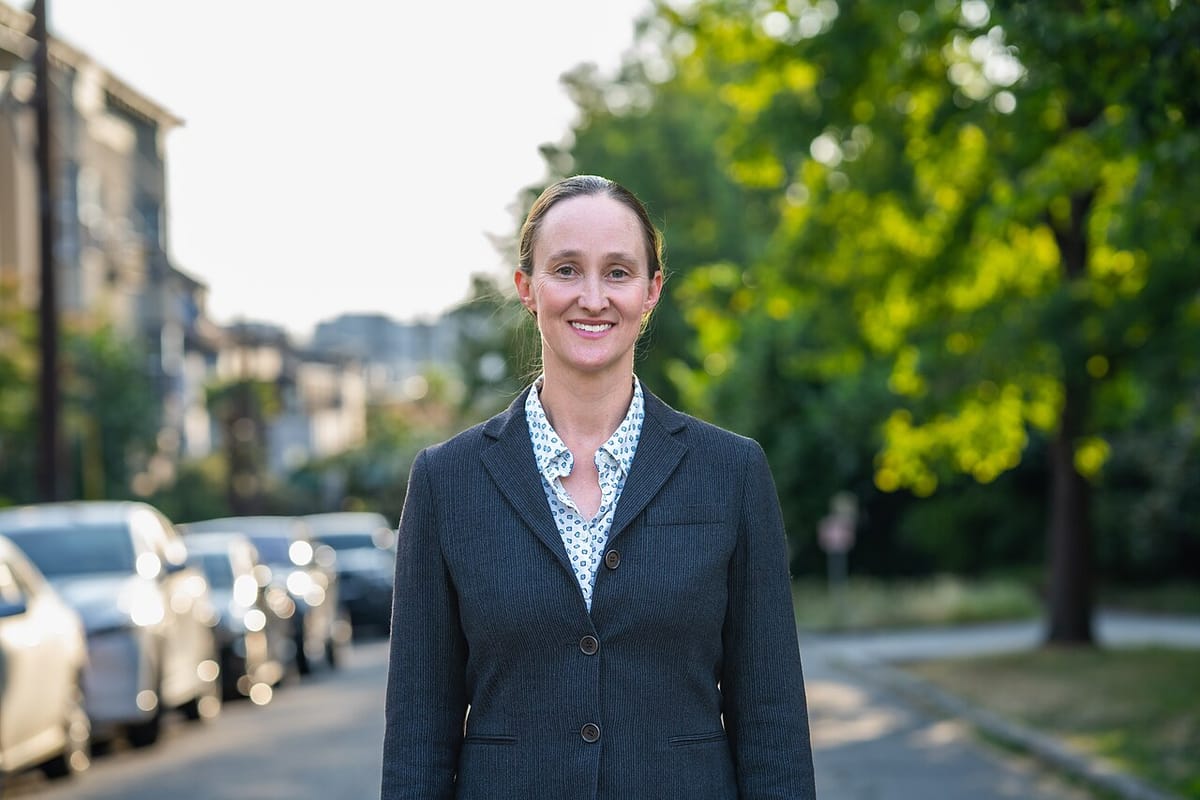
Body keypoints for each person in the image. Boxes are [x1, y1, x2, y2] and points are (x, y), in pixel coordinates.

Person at [381, 175, 816, 799]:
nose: (592, 297)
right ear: (527, 289)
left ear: (651, 291)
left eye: (617, 272)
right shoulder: (447, 481)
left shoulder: (731, 473)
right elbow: (417, 742)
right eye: (566, 269)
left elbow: (771, 723)